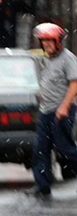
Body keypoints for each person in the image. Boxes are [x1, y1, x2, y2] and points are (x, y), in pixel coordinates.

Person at [25, 22, 77, 199]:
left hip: (61, 112)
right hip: (46, 111)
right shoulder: (47, 59)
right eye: (43, 41)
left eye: (49, 41)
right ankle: (42, 186)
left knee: (66, 149)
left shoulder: (67, 58)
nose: (46, 44)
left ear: (58, 42)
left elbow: (74, 84)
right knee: (40, 149)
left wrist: (64, 106)